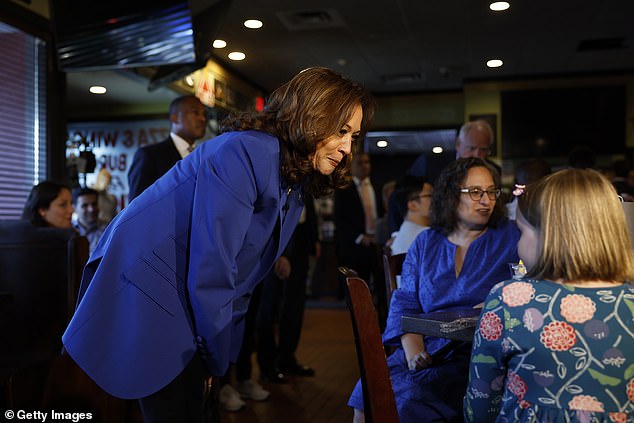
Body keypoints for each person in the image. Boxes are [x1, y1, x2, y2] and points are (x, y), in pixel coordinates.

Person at [62, 67, 374, 423]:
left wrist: (222, 355)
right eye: (342, 131)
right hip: (151, 294)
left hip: (187, 302)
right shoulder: (245, 151)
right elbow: (214, 264)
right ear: (312, 116)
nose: (348, 148)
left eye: (354, 136)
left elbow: (242, 279)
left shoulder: (294, 181)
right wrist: (217, 355)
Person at [348, 157, 520, 422]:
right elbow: (404, 301)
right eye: (475, 192)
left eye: (491, 191)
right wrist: (413, 348)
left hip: (477, 355)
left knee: (409, 400)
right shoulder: (426, 241)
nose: (486, 200)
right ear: (451, 195)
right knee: (367, 392)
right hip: (422, 346)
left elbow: (528, 286)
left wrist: (500, 301)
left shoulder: (511, 237)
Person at [464, 168, 634, 422]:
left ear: (550, 235)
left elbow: (480, 405)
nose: (518, 244)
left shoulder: (509, 300)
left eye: (521, 232)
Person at [127, 95, 207, 201]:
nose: (203, 119)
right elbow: (136, 207)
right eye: (195, 112)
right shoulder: (149, 155)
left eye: (204, 114)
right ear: (174, 118)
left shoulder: (203, 157)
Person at [335, 152, 383, 314]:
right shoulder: (344, 190)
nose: (364, 165)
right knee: (357, 290)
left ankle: (383, 328)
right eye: (360, 163)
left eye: (367, 162)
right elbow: (340, 220)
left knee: (382, 289)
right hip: (355, 247)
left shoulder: (377, 188)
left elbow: (382, 215)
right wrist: (361, 237)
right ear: (352, 167)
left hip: (377, 244)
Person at [388, 175, 432, 256]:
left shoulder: (403, 233)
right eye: (430, 196)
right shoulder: (428, 236)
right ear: (413, 205)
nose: (437, 199)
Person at [71, 187, 108, 255]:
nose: (91, 209)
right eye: (85, 205)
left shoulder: (109, 229)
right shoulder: (69, 230)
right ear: (74, 208)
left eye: (94, 204)